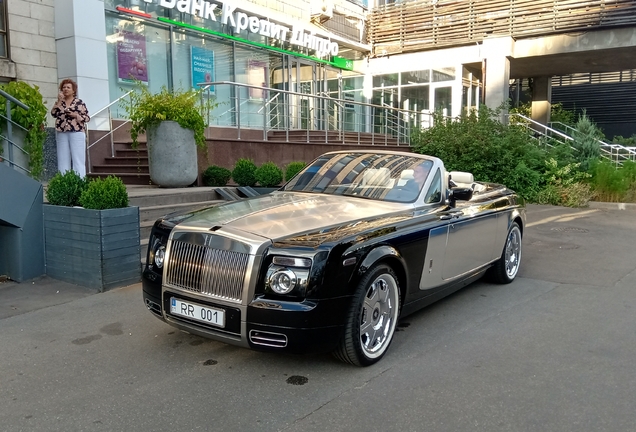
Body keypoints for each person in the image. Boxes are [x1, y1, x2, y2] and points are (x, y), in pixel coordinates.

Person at [51, 79, 90, 178]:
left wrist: (75, 115)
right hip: (62, 132)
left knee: (78, 159)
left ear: (73, 90)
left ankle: (80, 181)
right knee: (63, 158)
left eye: (68, 87)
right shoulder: (60, 102)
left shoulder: (79, 102)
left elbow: (87, 118)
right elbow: (53, 114)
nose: (65, 89)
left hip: (76, 132)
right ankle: (64, 182)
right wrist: (59, 102)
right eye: (64, 87)